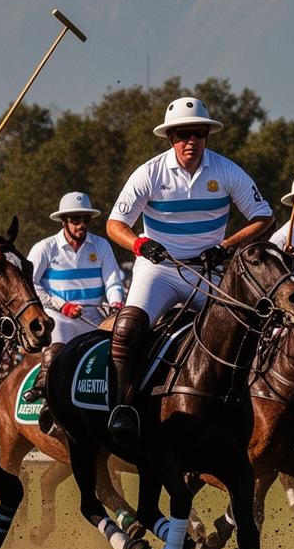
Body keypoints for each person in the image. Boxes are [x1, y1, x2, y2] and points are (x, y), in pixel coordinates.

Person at [104, 97, 273, 444]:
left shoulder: (226, 171)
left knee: (246, 330)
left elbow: (263, 216)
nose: (191, 141)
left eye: (198, 133)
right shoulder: (150, 173)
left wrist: (225, 247)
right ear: (171, 137)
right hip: (159, 271)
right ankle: (123, 407)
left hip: (207, 273)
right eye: (183, 134)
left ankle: (244, 408)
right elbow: (114, 224)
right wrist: (141, 245)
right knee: (127, 327)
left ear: (206, 135)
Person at [23, 192, 125, 404]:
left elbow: (113, 280)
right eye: (76, 220)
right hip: (58, 315)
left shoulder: (101, 246)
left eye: (85, 220)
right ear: (64, 222)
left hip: (94, 316)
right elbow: (29, 284)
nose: (82, 225)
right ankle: (44, 390)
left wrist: (116, 302)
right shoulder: (45, 248)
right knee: (57, 346)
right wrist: (62, 306)